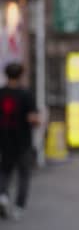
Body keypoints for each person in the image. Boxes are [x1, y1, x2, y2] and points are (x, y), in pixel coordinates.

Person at [0, 63, 40, 221]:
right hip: (23, 140)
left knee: (4, 171)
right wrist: (38, 121)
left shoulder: (1, 93)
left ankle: (3, 195)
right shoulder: (26, 94)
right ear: (21, 74)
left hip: (4, 139)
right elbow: (32, 118)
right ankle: (18, 207)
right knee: (24, 175)